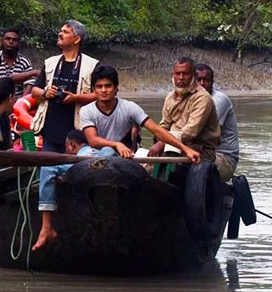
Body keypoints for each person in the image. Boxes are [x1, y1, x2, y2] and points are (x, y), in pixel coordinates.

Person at [31, 65, 203, 251]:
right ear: (94, 90)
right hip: (91, 161)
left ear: (116, 88)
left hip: (117, 163)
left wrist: (185, 149)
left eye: (108, 86)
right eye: (99, 87)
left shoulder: (129, 108)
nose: (104, 90)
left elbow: (157, 130)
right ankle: (47, 228)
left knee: (108, 154)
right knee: (48, 168)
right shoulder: (88, 110)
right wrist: (116, 144)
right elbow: (92, 140)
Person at [32, 129, 114, 251]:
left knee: (47, 169)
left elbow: (49, 170)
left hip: (86, 165)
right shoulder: (107, 151)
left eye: (66, 147)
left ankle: (47, 226)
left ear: (72, 145)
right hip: (106, 167)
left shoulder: (82, 158)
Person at [30, 20, 100, 153]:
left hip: (78, 131)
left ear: (77, 39)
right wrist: (46, 93)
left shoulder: (92, 65)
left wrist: (76, 98)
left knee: (75, 169)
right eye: (60, 31)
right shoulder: (51, 62)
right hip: (51, 129)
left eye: (65, 32)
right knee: (48, 168)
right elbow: (34, 91)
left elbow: (100, 95)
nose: (60, 34)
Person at [148, 57, 222, 174]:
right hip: (171, 145)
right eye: (178, 73)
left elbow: (190, 132)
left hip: (200, 149)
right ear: (173, 75)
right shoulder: (170, 97)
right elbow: (164, 125)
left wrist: (163, 141)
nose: (181, 77)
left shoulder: (203, 98)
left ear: (193, 76)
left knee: (165, 164)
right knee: (142, 163)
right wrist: (159, 137)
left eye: (186, 74)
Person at [196, 64, 240, 179]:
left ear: (212, 82)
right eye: (198, 80)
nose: (202, 84)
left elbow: (206, 135)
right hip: (201, 152)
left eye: (206, 80)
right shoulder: (188, 100)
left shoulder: (219, 100)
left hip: (224, 157)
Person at [0, 29, 40, 98]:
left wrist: (22, 101)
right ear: (2, 41)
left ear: (18, 43)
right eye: (8, 39)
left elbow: (30, 82)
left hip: (17, 99)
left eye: (14, 40)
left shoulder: (24, 61)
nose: (11, 42)